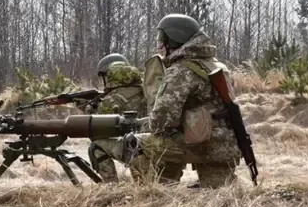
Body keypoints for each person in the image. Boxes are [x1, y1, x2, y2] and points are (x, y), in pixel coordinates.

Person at [123, 13, 242, 188]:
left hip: (203, 144)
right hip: (227, 144)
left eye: (162, 39)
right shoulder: (215, 65)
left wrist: (144, 125)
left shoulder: (180, 71)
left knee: (136, 143)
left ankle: (154, 192)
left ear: (173, 40)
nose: (159, 45)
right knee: (218, 195)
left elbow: (162, 121)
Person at [86, 53, 150, 183]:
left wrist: (89, 110)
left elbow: (94, 130)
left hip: (137, 150)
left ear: (108, 75)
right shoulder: (147, 89)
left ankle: (111, 186)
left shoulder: (111, 100)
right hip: (156, 146)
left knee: (95, 146)